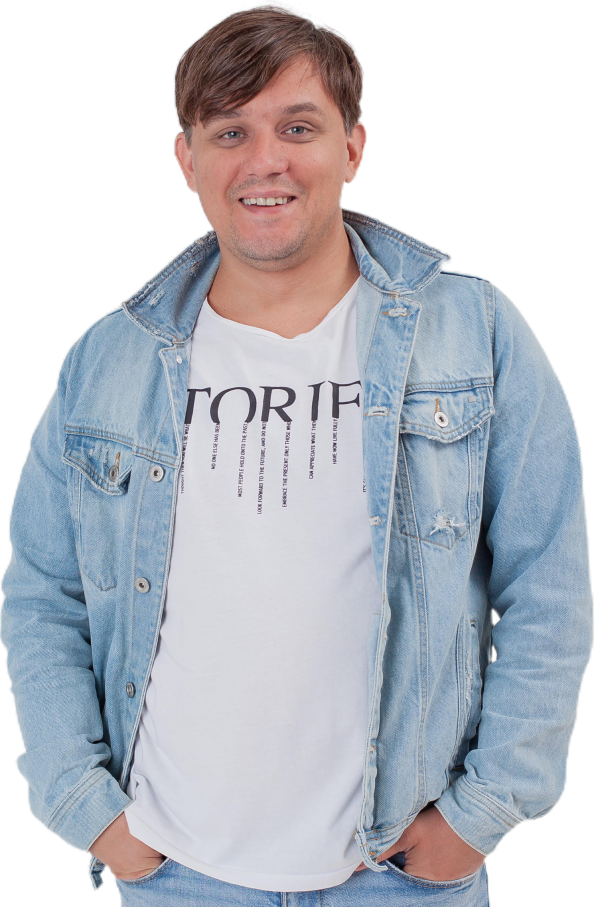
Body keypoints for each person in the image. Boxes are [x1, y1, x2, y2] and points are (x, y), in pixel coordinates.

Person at [1, 2, 592, 904]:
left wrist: (482, 812)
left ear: (353, 147)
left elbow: (548, 584)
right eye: (230, 131)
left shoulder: (473, 331)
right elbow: (44, 591)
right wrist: (85, 805)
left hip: (399, 872)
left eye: (298, 127)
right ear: (186, 158)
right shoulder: (109, 358)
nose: (264, 160)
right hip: (178, 869)